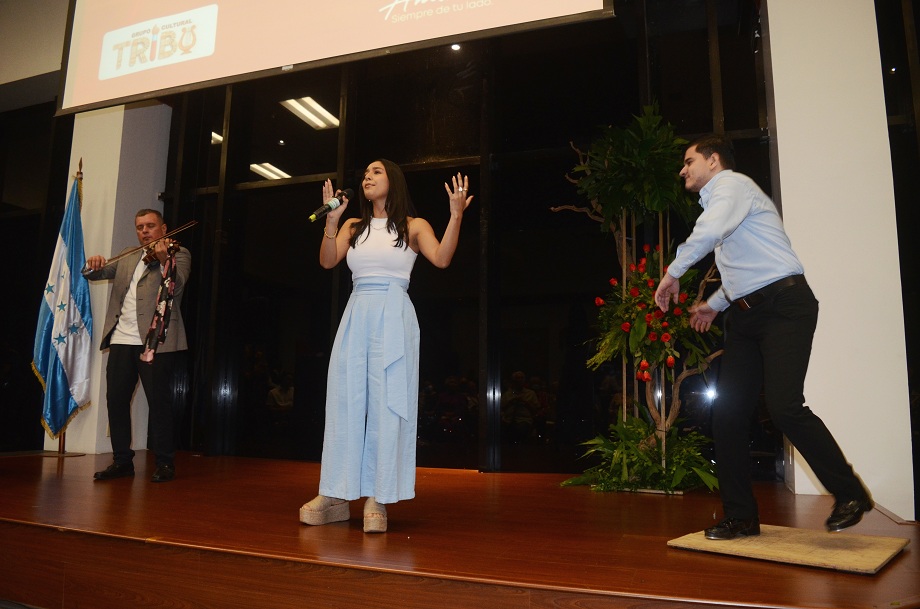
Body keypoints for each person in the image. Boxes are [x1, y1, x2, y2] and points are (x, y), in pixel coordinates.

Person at [654, 134, 872, 540]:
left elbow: (711, 233)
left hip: (784, 308)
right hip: (746, 317)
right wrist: (715, 305)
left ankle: (850, 493)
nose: (682, 170)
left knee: (784, 406)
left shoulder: (732, 187)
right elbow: (745, 270)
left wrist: (673, 274)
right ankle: (742, 517)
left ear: (714, 160)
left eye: (688, 161)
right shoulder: (726, 203)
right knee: (729, 415)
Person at [300, 159, 472, 533]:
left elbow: (442, 259)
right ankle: (335, 492)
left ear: (392, 181)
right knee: (345, 398)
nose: (367, 177)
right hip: (358, 308)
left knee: (386, 401)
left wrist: (455, 215)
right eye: (364, 173)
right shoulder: (351, 225)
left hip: (394, 312)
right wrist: (330, 224)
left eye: (375, 172)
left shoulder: (414, 226)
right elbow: (328, 261)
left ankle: (378, 496)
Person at [83, 209, 191, 483]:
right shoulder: (129, 254)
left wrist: (165, 258)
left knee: (159, 403)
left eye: (150, 225)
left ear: (163, 228)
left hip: (156, 340)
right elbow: (94, 273)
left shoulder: (179, 254)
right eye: (140, 226)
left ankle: (165, 463)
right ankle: (122, 461)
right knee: (116, 401)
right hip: (121, 339)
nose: (144, 231)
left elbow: (176, 287)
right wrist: (91, 263)